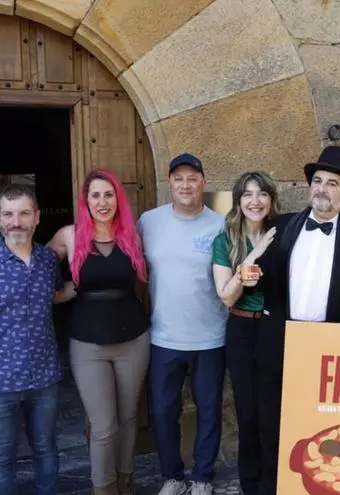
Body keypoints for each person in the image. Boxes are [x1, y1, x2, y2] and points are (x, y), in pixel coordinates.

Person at [251, 145, 340, 495]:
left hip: (330, 352)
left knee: (326, 436)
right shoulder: (281, 226)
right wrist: (249, 276)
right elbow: (263, 277)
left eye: (332, 183)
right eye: (317, 181)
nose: (322, 189)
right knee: (272, 430)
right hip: (278, 346)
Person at [0, 184, 75, 495]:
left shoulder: (47, 260)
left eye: (23, 213)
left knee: (46, 449)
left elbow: (54, 295)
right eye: (8, 214)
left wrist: (90, 283)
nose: (15, 222)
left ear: (37, 217)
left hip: (44, 376)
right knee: (2, 459)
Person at [46, 169, 151, 495]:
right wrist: (65, 292)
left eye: (108, 194)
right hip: (87, 342)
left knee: (128, 418)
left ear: (117, 199)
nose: (102, 202)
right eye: (95, 195)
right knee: (104, 425)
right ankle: (104, 488)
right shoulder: (70, 235)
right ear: (86, 201)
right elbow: (35, 269)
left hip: (133, 338)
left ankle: (126, 482)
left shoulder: (132, 235)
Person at [137, 153, 228, 495]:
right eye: (179, 179)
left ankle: (203, 477)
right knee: (162, 412)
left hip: (211, 337)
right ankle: (172, 477)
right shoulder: (149, 221)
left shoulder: (220, 224)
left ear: (203, 182)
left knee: (209, 411)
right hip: (164, 336)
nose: (186, 185)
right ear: (170, 183)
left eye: (192, 178)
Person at [210, 171, 278, 495]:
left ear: (271, 200)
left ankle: (274, 485)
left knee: (273, 414)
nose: (255, 201)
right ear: (238, 201)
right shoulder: (225, 240)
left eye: (262, 193)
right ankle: (251, 486)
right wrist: (255, 253)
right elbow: (226, 296)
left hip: (274, 329)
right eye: (248, 194)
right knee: (248, 414)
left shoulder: (282, 234)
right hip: (241, 330)